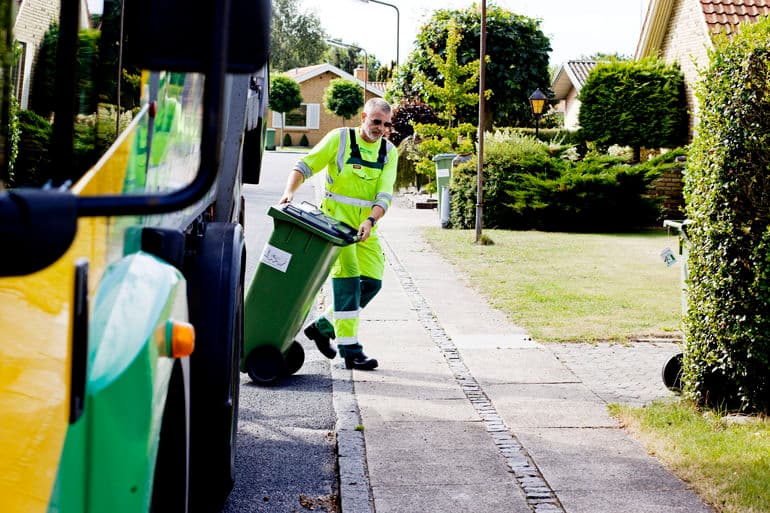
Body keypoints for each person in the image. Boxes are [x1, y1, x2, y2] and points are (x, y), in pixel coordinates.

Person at [279, 98, 398, 370]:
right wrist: (289, 192)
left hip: (366, 228)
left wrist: (370, 220)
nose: (380, 128)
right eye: (375, 121)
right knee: (348, 281)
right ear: (363, 117)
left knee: (371, 283)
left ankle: (322, 327)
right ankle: (351, 350)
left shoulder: (389, 152)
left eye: (385, 124)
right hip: (336, 228)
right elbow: (305, 165)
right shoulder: (340, 139)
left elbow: (384, 194)